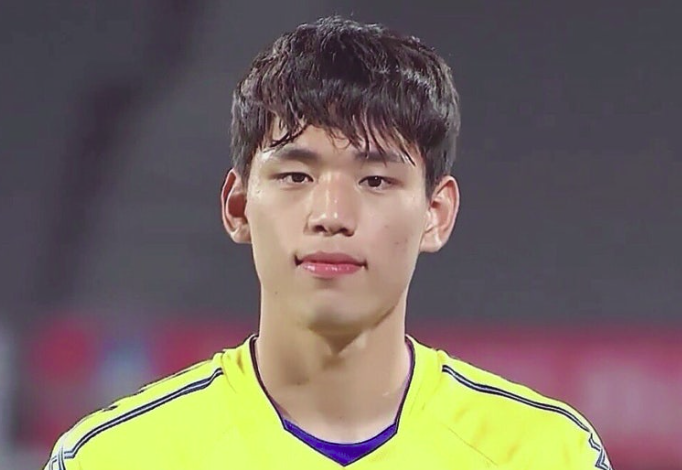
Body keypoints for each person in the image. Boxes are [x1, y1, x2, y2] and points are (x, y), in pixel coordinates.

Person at [45, 16, 612, 469]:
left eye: (376, 180)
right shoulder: (114, 458)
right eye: (296, 176)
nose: (332, 216)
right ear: (238, 207)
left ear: (436, 215)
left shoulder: (545, 454)